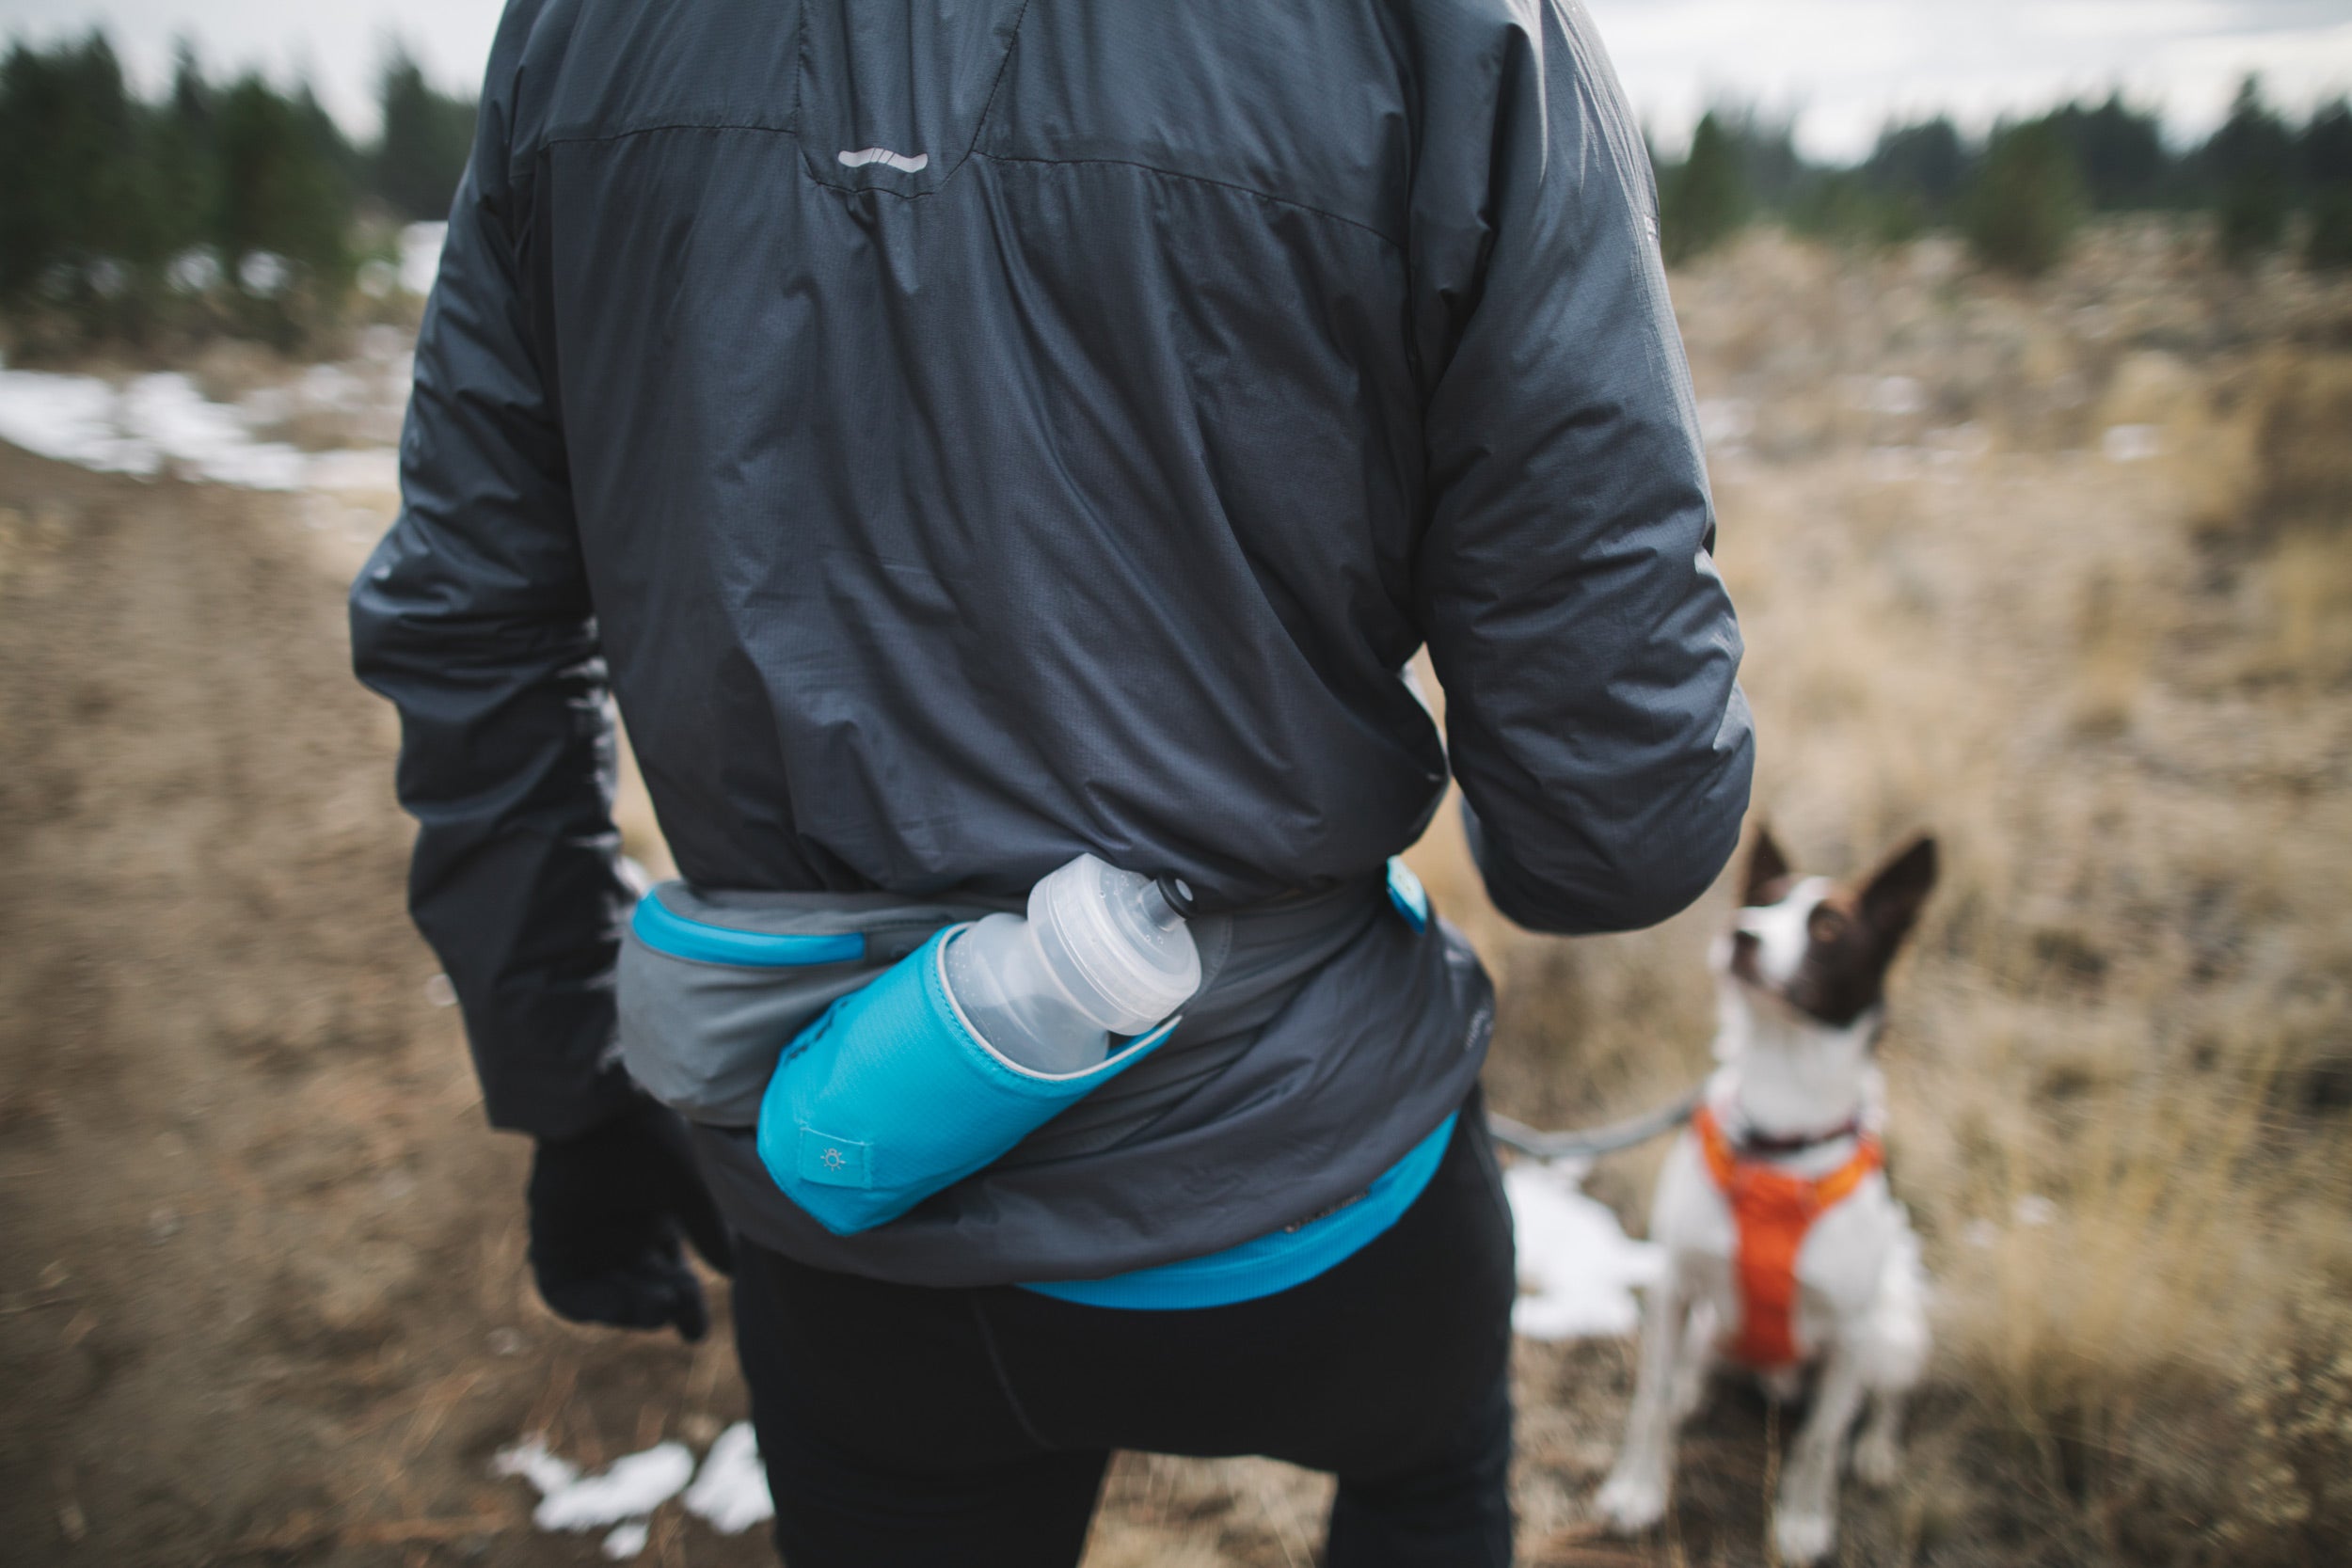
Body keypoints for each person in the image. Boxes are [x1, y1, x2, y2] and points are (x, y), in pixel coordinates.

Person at [350, 1, 1752, 1563]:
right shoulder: (1456, 29)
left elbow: (472, 619)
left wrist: (571, 1085)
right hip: (1321, 1203)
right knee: (1426, 1479)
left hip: (852, 1199)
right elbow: (1617, 827)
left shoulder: (581, 32)